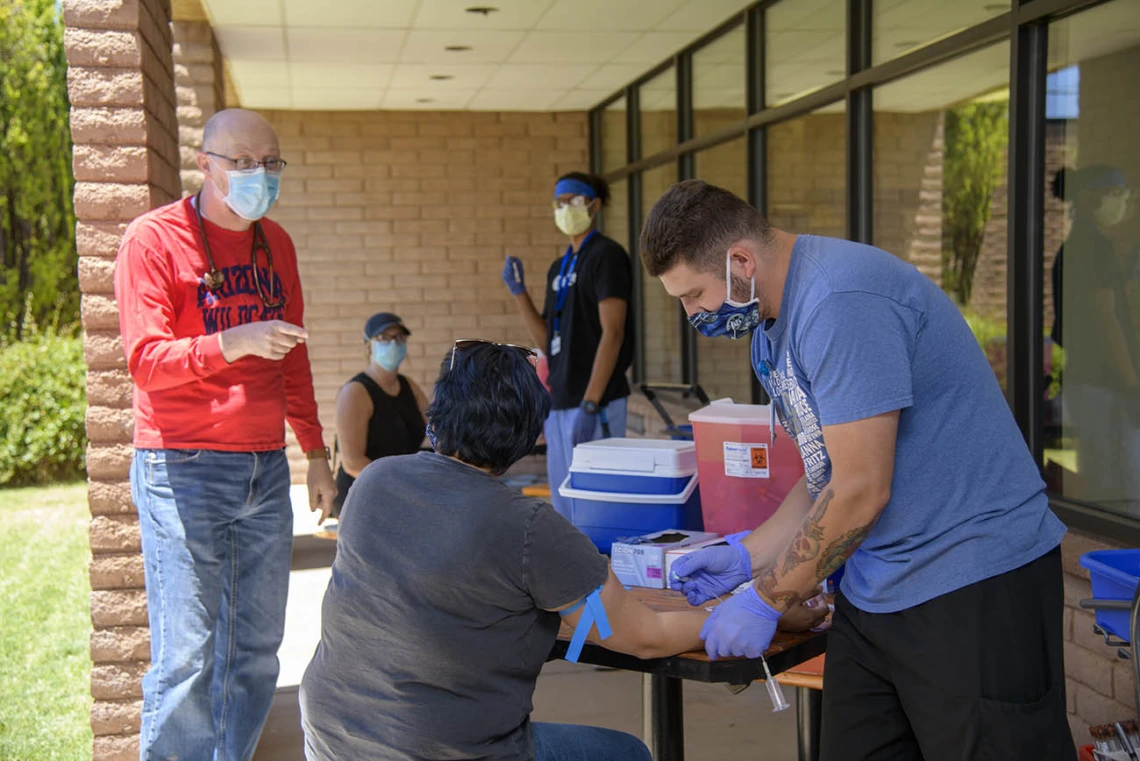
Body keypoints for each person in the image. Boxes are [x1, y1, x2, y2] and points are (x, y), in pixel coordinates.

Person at [640, 180, 1074, 760]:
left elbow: (863, 490)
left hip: (973, 580)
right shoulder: (768, 322)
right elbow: (828, 472)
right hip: (878, 588)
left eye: (693, 294)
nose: (692, 313)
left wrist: (767, 597)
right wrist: (751, 553)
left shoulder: (840, 301)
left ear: (739, 261)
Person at [298, 339, 826, 761]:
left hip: (331, 736)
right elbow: (647, 638)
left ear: (439, 414)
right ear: (530, 437)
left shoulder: (376, 481)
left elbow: (455, 596)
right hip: (442, 749)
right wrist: (767, 608)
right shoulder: (527, 526)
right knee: (628, 754)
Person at [114, 108, 336, 761]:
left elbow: (292, 356)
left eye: (270, 162)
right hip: (181, 467)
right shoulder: (153, 241)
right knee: (186, 655)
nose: (258, 175)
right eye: (241, 162)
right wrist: (230, 343)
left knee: (254, 651)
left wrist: (316, 453)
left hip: (263, 470)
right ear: (205, 164)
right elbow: (146, 362)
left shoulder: (277, 245)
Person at [502, 172, 635, 520]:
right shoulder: (557, 268)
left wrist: (591, 403)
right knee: (565, 504)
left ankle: (604, 572)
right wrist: (519, 294)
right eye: (559, 202)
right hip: (561, 398)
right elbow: (547, 341)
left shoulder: (606, 255)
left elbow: (614, 332)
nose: (565, 208)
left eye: (573, 200)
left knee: (600, 502)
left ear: (595, 204)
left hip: (596, 401)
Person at [1050, 166, 1140, 507]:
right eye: (1113, 194)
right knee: (1119, 488)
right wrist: (1132, 385)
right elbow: (1105, 318)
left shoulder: (1078, 247)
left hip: (1088, 382)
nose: (1121, 202)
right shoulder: (1092, 247)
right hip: (1104, 384)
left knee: (1103, 477)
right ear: (1088, 197)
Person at [321, 311, 428, 538]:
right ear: (368, 346)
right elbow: (352, 462)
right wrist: (403, 488)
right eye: (384, 338)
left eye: (399, 338)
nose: (393, 344)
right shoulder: (356, 392)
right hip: (364, 495)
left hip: (402, 492)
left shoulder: (409, 386)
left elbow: (437, 431)